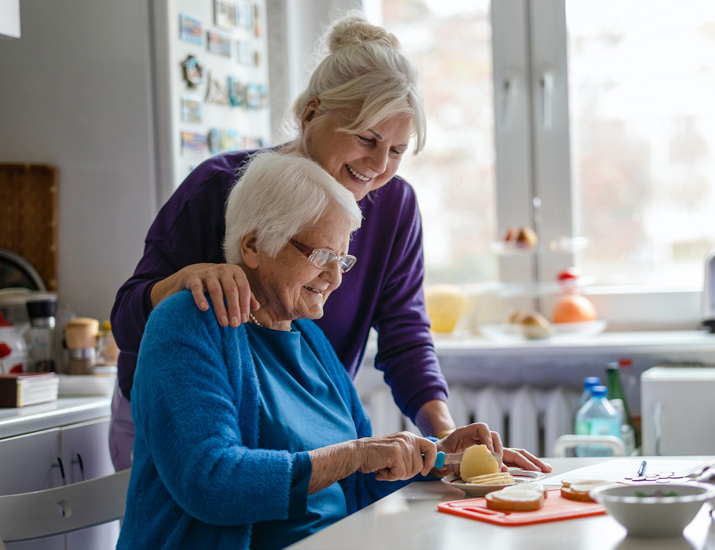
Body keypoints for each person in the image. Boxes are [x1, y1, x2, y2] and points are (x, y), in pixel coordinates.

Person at [109, 12, 550, 474]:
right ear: (310, 113)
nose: (379, 165)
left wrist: (442, 434)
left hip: (294, 429)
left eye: (397, 150)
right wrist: (181, 281)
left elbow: (404, 333)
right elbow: (126, 321)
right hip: (184, 424)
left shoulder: (393, 206)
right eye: (367, 138)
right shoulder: (219, 187)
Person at [116, 151, 505, 550]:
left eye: (342, 259)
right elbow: (213, 481)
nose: (335, 278)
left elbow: (360, 479)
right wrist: (354, 455)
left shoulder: (310, 339)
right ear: (253, 245)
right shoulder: (188, 323)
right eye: (321, 256)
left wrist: (439, 460)